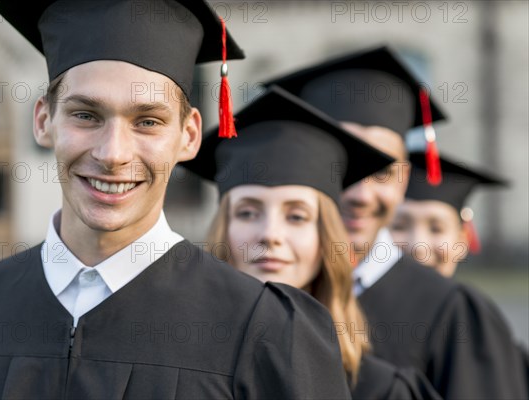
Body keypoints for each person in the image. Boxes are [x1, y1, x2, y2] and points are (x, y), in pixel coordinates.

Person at [0, 1, 352, 398]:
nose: (113, 153)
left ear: (187, 136)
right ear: (43, 121)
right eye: (86, 115)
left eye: (147, 121)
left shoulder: (265, 330)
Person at [265, 45, 529, 398]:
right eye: (344, 166)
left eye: (381, 172)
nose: (360, 194)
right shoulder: (260, 291)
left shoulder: (454, 313)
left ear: (403, 180)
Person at [184, 85, 441, 399]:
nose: (270, 234)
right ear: (222, 230)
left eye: (297, 216)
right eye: (248, 212)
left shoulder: (382, 392)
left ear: (326, 238)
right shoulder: (171, 373)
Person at [391, 150, 529, 390]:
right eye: (400, 226)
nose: (418, 247)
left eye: (436, 228)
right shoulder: (350, 314)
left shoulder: (479, 327)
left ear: (462, 239)